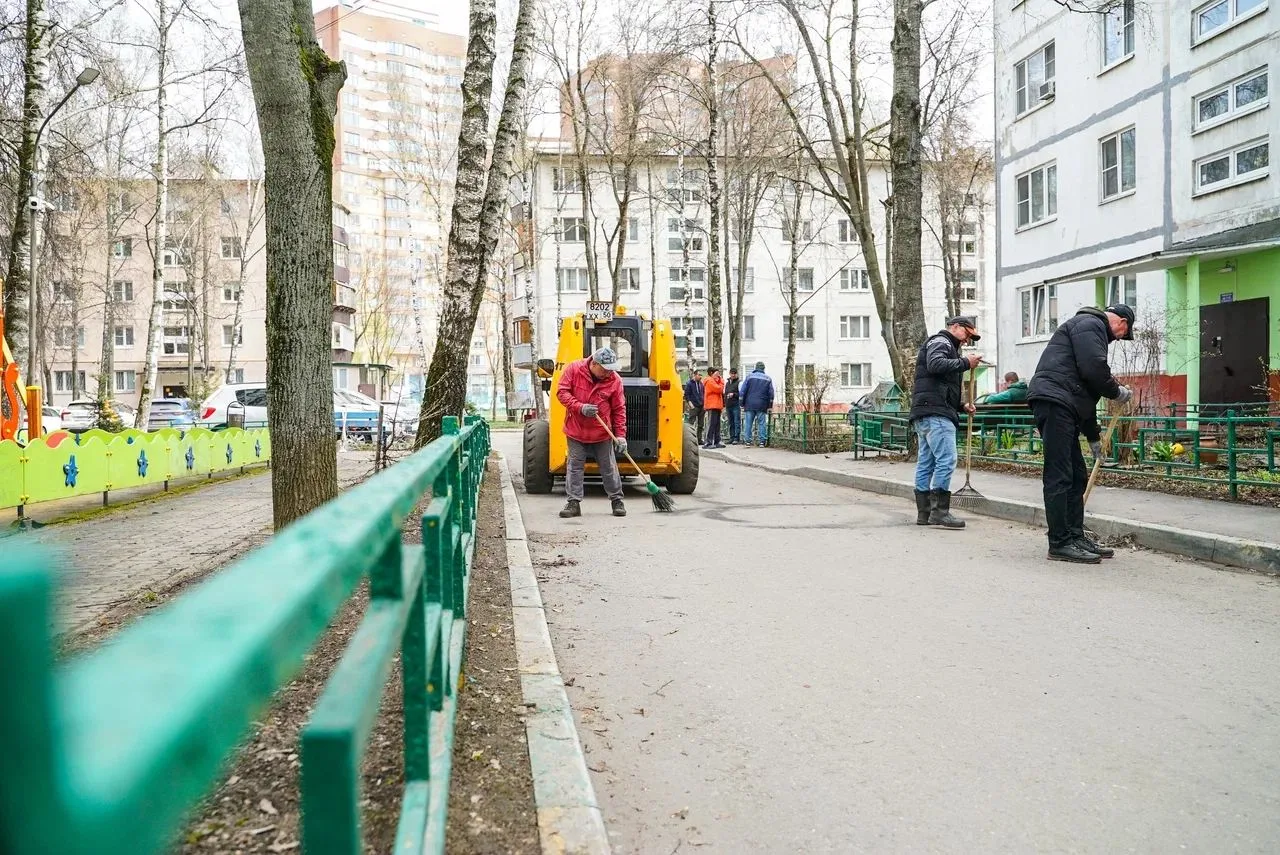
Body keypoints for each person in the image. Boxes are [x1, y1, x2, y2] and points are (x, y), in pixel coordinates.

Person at [1027, 304, 1135, 563]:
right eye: (1124, 332)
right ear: (1121, 321)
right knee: (1060, 474)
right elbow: (1094, 369)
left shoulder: (1087, 329)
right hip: (1054, 402)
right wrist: (1116, 391)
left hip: (1064, 403)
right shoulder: (1090, 324)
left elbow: (1087, 394)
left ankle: (1074, 536)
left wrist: (1094, 438)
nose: (1120, 337)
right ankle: (1060, 542)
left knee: (1076, 475)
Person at [910, 315, 983, 529]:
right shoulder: (941, 342)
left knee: (927, 462)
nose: (967, 341)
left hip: (926, 411)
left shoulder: (942, 345)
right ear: (955, 327)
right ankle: (939, 512)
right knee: (947, 459)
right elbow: (935, 365)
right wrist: (965, 363)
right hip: (936, 414)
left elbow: (941, 385)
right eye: (966, 334)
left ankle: (924, 513)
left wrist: (961, 406)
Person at [555, 346, 629, 519]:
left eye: (611, 370)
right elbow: (561, 392)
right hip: (576, 430)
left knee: (608, 467)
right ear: (594, 364)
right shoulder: (574, 369)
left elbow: (619, 409)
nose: (608, 373)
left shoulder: (614, 380)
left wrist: (620, 435)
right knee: (574, 467)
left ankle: (617, 500)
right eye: (605, 369)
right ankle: (573, 503)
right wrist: (579, 407)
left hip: (601, 432)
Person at [739, 361, 774, 447]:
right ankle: (762, 442)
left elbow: (742, 391)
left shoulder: (749, 377)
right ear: (763, 369)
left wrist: (741, 403)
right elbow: (771, 394)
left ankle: (748, 441)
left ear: (755, 368)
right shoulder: (768, 379)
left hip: (749, 404)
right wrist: (770, 406)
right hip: (762, 404)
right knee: (762, 423)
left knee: (748, 423)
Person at [703, 368, 725, 448]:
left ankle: (717, 441)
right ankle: (708, 442)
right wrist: (721, 382)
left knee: (717, 424)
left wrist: (719, 380)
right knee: (711, 424)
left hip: (717, 404)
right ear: (711, 373)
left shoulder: (713, 380)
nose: (718, 375)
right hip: (712, 404)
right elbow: (719, 389)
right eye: (716, 373)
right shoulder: (709, 381)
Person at [683, 369, 705, 444]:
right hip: (694, 406)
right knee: (691, 422)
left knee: (701, 424)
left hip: (701, 405)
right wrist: (690, 403)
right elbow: (686, 395)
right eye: (699, 375)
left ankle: (699, 439)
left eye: (701, 375)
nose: (700, 377)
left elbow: (703, 393)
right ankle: (690, 440)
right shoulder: (689, 384)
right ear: (695, 375)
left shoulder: (701, 384)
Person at [724, 369, 742, 444]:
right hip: (728, 405)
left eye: (734, 373)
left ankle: (736, 438)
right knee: (730, 422)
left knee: (736, 421)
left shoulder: (739, 383)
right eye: (732, 373)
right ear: (729, 374)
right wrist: (724, 404)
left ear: (736, 374)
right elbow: (725, 393)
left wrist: (734, 394)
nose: (733, 375)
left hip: (735, 405)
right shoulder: (727, 383)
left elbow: (740, 394)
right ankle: (731, 437)